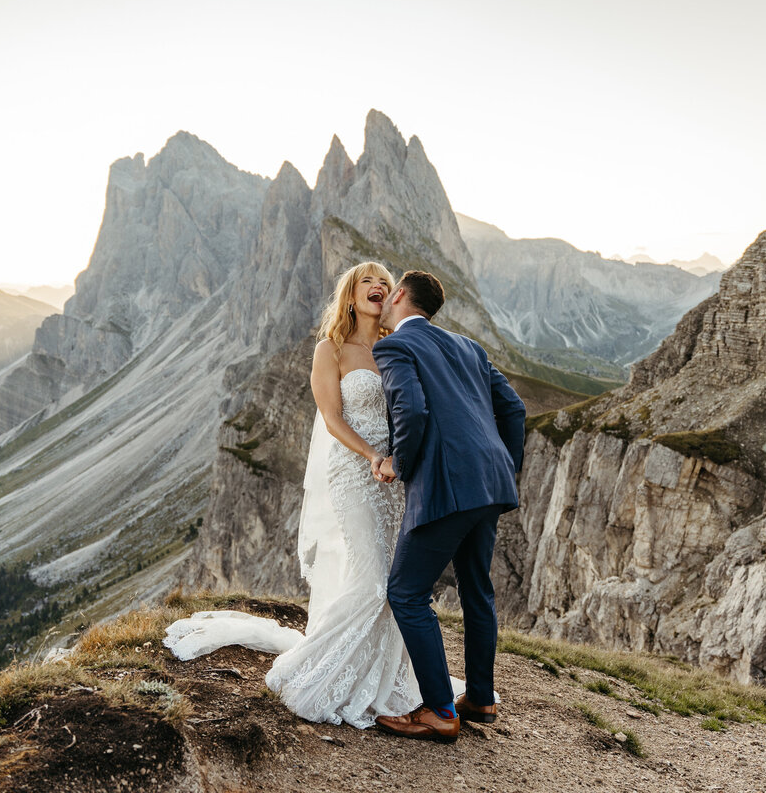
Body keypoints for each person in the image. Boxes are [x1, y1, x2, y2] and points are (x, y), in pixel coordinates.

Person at [164, 261, 421, 728]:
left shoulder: (394, 347)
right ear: (350, 295)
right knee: (371, 580)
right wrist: (371, 456)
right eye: (369, 281)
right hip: (355, 471)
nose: (380, 287)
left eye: (386, 282)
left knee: (392, 580)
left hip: (393, 481)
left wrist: (398, 461)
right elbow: (332, 419)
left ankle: (379, 677)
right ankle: (314, 672)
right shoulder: (332, 349)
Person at [369, 270, 526, 744]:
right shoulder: (468, 346)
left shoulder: (394, 347)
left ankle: (439, 709)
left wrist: (402, 463)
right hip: (489, 484)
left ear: (398, 295)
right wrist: (502, 465)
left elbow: (411, 410)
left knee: (406, 592)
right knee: (477, 589)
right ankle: (480, 697)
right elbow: (514, 408)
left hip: (446, 484)